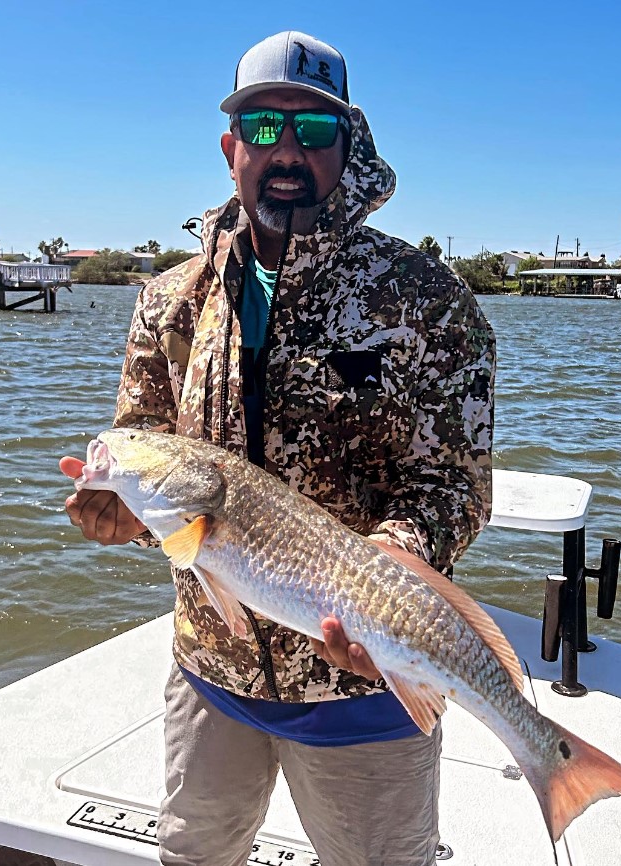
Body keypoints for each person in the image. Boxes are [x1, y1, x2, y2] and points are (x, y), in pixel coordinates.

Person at [61, 30, 495, 866]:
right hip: (209, 671)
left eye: (314, 131)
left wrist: (389, 565)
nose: (286, 150)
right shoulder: (168, 301)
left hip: (366, 680)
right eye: (262, 128)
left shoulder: (429, 302)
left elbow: (452, 482)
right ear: (231, 149)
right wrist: (117, 513)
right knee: (194, 855)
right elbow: (142, 446)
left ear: (349, 145)